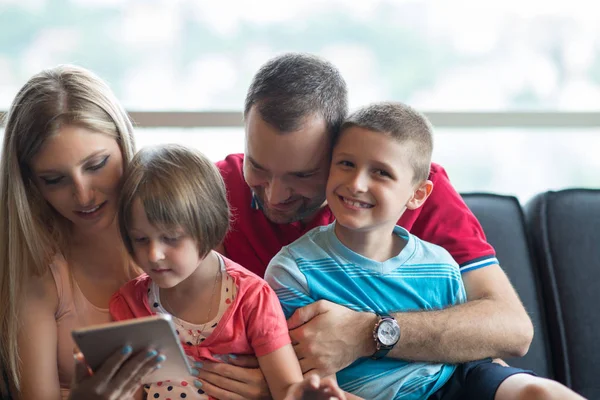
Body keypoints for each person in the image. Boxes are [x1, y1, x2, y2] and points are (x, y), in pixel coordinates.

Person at [200, 53, 533, 399]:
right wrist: (281, 385)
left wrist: (368, 333)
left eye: (302, 174)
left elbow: (511, 327)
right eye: (258, 168)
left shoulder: (408, 187)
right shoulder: (215, 191)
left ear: (336, 150)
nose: (275, 195)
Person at [265, 102, 585, 400]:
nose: (357, 183)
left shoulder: (439, 263)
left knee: (539, 392)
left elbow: (465, 348)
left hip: (453, 381)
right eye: (346, 164)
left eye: (381, 173)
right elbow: (309, 378)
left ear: (418, 194)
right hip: (364, 393)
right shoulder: (293, 270)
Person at [0, 65, 163, 400]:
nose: (84, 195)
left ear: (123, 143)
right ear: (31, 184)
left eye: (96, 165)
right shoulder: (41, 272)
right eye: (55, 180)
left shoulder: (181, 234)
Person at [109, 144, 304, 400]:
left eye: (170, 238)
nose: (154, 254)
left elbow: (289, 391)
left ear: (208, 226)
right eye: (141, 239)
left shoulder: (252, 298)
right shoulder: (129, 304)